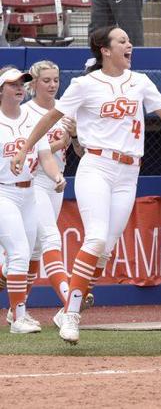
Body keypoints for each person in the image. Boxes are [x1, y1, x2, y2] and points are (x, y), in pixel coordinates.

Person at [11, 26, 161, 344]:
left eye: (128, 40)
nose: (129, 44)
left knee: (104, 248)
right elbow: (51, 119)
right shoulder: (84, 84)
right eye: (122, 41)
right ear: (104, 50)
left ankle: (68, 311)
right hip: (97, 166)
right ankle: (72, 314)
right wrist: (25, 149)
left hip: (129, 171)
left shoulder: (141, 82)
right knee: (94, 239)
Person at [0, 67, 66, 334]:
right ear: (1, 89)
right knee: (19, 253)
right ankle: (18, 319)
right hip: (4, 191)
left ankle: (17, 314)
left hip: (29, 193)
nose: (19, 87)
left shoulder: (29, 118)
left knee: (25, 257)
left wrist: (57, 175)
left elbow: (45, 155)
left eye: (22, 83)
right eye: (12, 84)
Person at [22, 61, 82, 313]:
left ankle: (17, 307)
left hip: (56, 182)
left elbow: (80, 150)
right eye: (46, 80)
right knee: (49, 237)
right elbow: (25, 153)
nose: (52, 85)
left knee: (34, 248)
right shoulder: (26, 112)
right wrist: (58, 144)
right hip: (31, 182)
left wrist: (76, 135)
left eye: (56, 80)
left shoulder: (65, 111)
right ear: (34, 84)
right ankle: (70, 302)